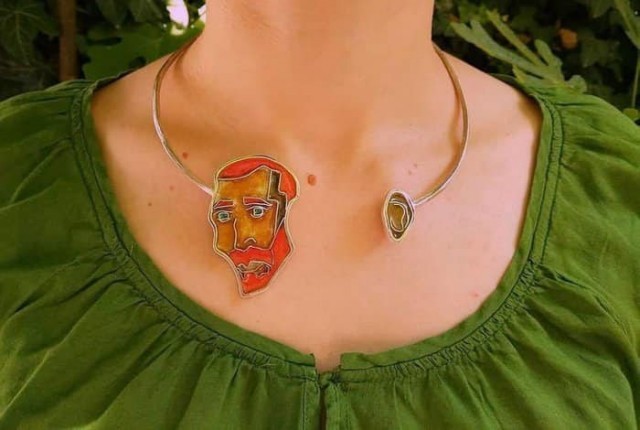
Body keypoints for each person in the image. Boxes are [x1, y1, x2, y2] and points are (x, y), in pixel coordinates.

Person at [0, 0, 638, 428]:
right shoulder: (18, 181)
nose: (238, 230)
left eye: (256, 210)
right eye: (234, 215)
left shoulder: (616, 189)